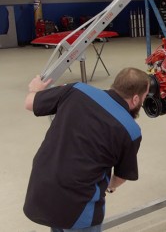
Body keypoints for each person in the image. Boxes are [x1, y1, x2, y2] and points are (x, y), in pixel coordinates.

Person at [23, 67, 150, 232]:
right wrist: (109, 185)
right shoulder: (130, 130)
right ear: (135, 99)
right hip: (78, 208)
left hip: (43, 189)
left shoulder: (77, 90)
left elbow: (29, 103)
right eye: (144, 97)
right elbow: (121, 177)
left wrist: (36, 90)